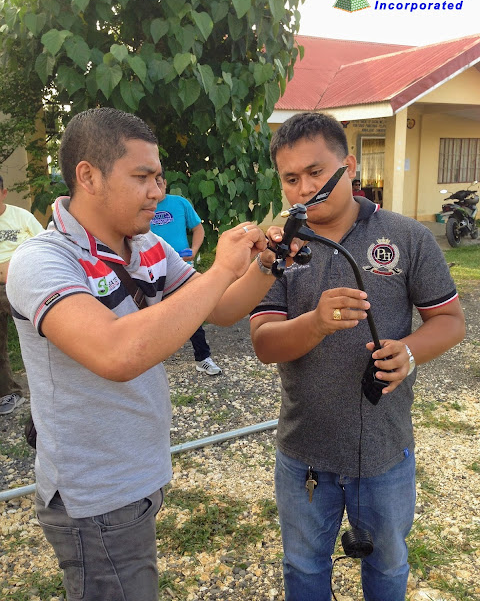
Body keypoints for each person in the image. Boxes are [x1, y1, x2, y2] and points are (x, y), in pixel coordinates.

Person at [6, 108, 281, 601]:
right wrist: (220, 270)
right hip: (95, 490)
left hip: (135, 470)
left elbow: (218, 310)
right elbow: (117, 354)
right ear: (88, 176)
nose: (158, 190)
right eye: (142, 177)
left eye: (159, 177)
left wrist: (267, 265)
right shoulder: (43, 260)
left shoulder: (147, 244)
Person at [250, 112, 465, 601]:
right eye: (291, 178)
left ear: (349, 166)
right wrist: (316, 323)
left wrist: (409, 351)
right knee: (303, 568)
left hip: (386, 450)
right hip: (303, 453)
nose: (305, 187)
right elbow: (264, 344)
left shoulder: (406, 236)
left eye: (317, 172)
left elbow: (451, 321)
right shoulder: (279, 249)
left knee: (388, 567)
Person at [151, 171, 221, 375]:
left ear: (165, 183)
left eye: (158, 183)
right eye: (150, 183)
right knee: (149, 314)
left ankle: (203, 358)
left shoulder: (180, 203)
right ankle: (150, 364)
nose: (155, 188)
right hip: (151, 269)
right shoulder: (144, 205)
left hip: (180, 268)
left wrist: (195, 250)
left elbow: (198, 228)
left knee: (192, 312)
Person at [0, 175, 43, 415]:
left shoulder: (21, 217)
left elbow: (42, 245)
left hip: (21, 282)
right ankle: (7, 393)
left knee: (43, 334)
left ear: (4, 193)